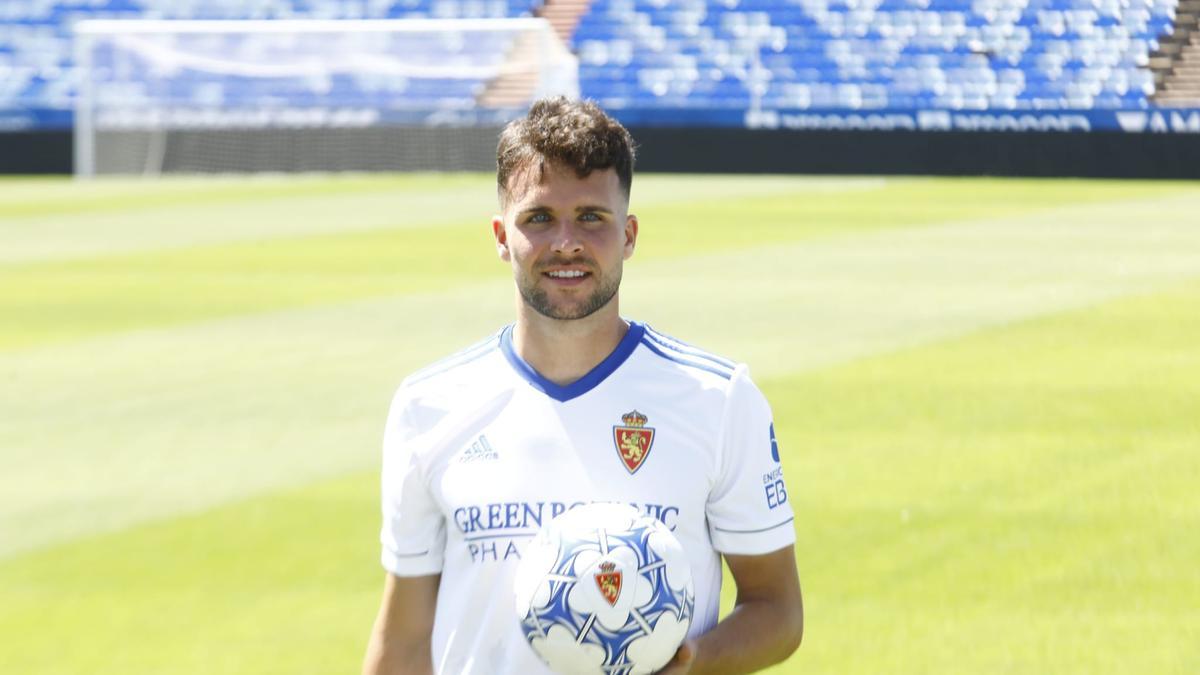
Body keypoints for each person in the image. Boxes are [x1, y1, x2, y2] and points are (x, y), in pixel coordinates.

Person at [362, 97, 803, 675]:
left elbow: (777, 610)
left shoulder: (718, 400)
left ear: (629, 234)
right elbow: (403, 641)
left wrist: (696, 662)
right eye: (538, 218)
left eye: (592, 217)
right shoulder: (428, 406)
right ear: (501, 235)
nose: (566, 242)